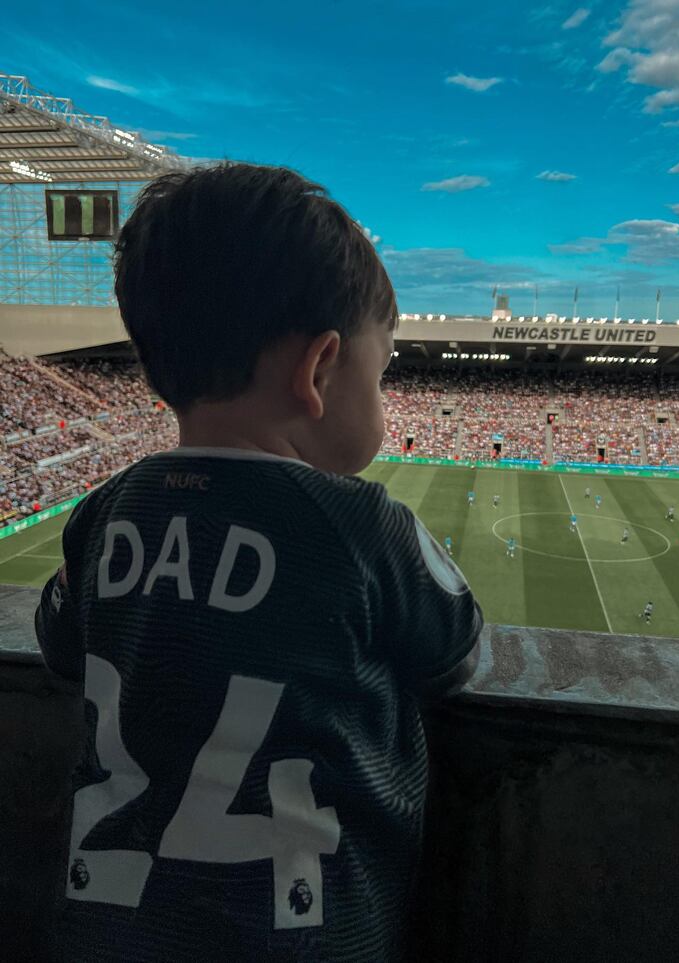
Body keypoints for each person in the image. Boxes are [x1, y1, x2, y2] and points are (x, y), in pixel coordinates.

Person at [34, 163, 484, 963]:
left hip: (104, 933)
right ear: (319, 371)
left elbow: (59, 640)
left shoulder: (100, 515)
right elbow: (461, 654)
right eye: (381, 374)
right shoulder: (363, 524)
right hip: (304, 937)